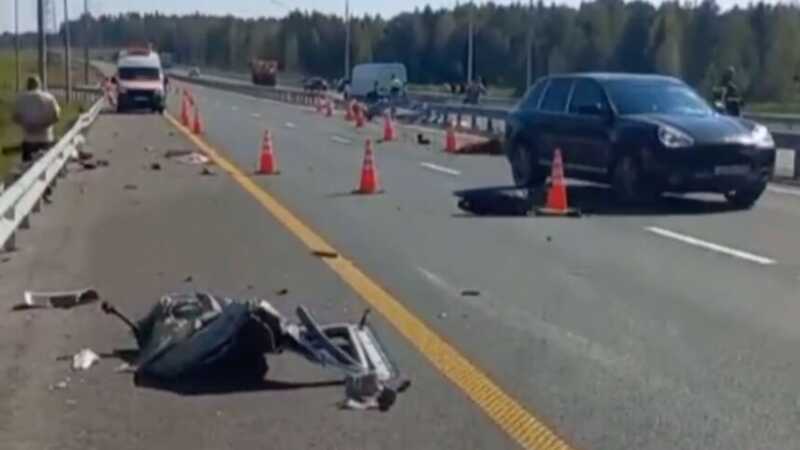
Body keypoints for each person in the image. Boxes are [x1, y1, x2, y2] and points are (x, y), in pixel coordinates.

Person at [12, 75, 61, 163]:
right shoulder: (49, 97)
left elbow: (15, 118)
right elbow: (57, 117)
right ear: (39, 85)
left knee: (28, 168)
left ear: (27, 85)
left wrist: (26, 125)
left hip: (29, 139)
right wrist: (44, 125)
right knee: (46, 166)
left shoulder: (20, 98)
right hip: (46, 138)